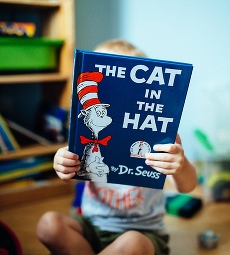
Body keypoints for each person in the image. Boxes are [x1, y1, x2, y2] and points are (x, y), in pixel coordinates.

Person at [36, 39, 197, 255]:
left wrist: (180, 165)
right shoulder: (88, 130)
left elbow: (187, 187)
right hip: (91, 226)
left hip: (143, 233)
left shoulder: (159, 136)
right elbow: (68, 166)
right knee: (48, 225)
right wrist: (62, 162)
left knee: (132, 243)